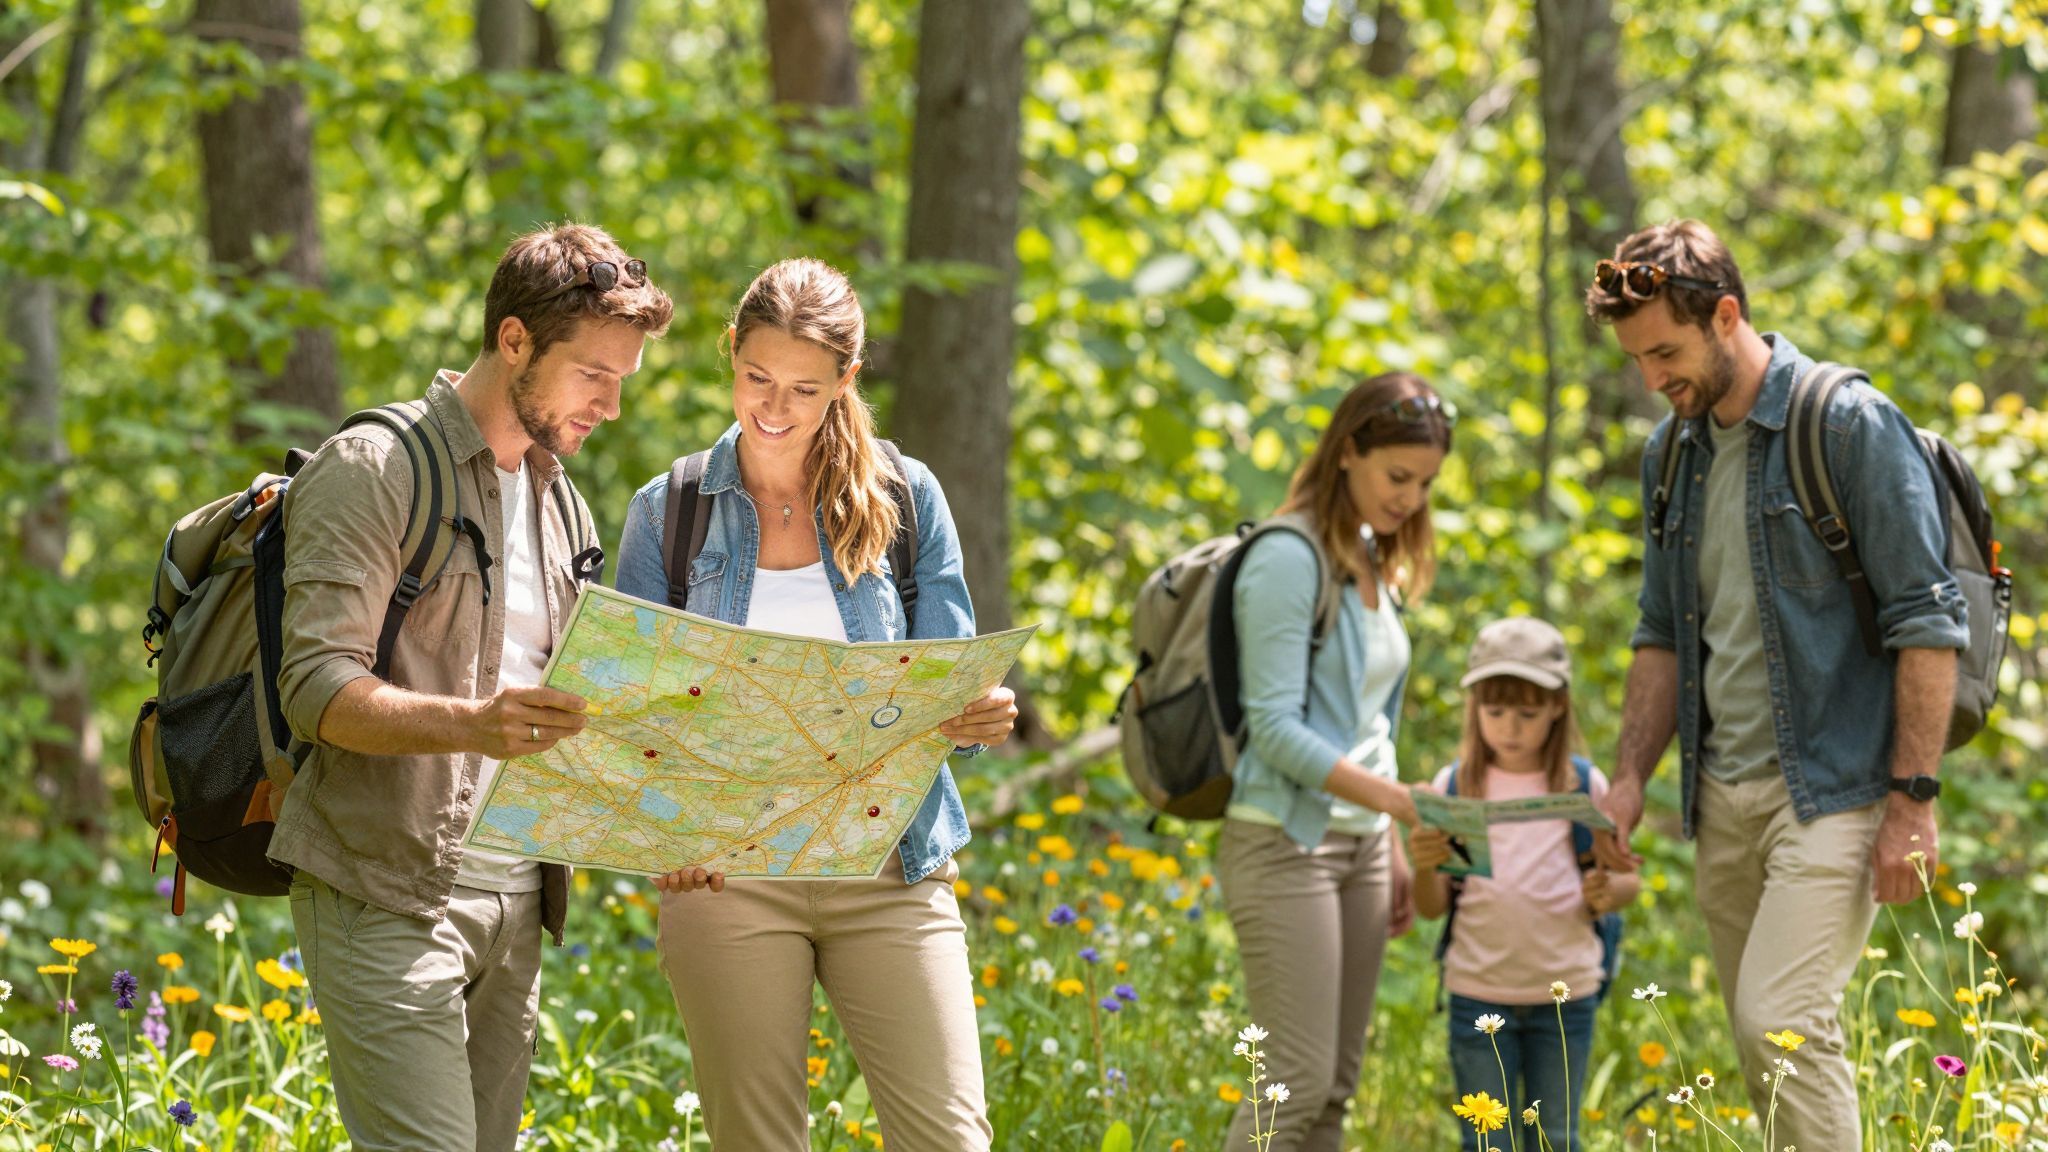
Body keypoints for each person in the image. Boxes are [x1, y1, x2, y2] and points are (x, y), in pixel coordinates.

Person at [269, 222, 674, 1151]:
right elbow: (316, 687)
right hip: (386, 890)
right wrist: (475, 724)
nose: (611, 406)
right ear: (515, 340)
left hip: (521, 905)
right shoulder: (376, 468)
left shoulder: (560, 497)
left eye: (623, 380)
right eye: (595, 376)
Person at [612, 257, 1018, 1149]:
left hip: (892, 870)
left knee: (950, 1136)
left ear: (846, 380)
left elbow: (951, 685)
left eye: (804, 387)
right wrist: (665, 837)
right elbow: (629, 717)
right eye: (757, 377)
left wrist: (977, 716)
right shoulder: (668, 511)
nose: (775, 406)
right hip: (729, 878)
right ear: (730, 353)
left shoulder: (906, 499)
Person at [1585, 219, 1968, 1150]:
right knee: (1769, 1053)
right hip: (1719, 795)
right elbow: (1660, 631)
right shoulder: (1670, 453)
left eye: (1666, 353)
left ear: (1726, 315)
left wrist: (1913, 801)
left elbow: (1926, 621)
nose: (1652, 380)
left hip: (1833, 787)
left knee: (1780, 1021)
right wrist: (1631, 777)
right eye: (1637, 360)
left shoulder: (1847, 424)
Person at [1215, 371, 1448, 1152]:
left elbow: (1363, 723)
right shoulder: (1289, 557)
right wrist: (1397, 804)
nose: (1410, 498)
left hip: (1359, 848)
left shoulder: (1372, 558)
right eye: (1397, 476)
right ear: (1348, 452)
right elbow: (1275, 728)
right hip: (1285, 844)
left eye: (1425, 484)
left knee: (1335, 1092)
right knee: (1294, 1080)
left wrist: (1387, 842)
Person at [1410, 616, 1638, 1152]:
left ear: (1558, 706)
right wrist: (1423, 862)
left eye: (1527, 712)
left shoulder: (1582, 784)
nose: (1509, 726)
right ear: (1475, 710)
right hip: (1476, 993)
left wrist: (1608, 891)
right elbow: (1430, 907)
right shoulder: (1457, 787)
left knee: (1555, 1138)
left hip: (1566, 997)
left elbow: (1628, 883)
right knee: (1485, 1140)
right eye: (1494, 711)